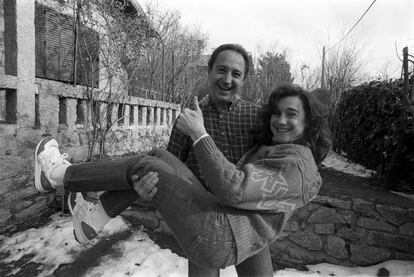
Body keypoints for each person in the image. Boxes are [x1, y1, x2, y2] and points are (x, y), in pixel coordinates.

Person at [34, 84, 332, 276]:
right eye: (277, 113)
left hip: (222, 227)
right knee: (156, 157)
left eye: (291, 115)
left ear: (308, 122)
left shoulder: (296, 163)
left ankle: (57, 175)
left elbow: (235, 188)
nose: (280, 120)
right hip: (221, 214)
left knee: (145, 163)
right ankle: (95, 215)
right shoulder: (276, 145)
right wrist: (147, 186)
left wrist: (199, 133)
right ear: (211, 72)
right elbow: (171, 161)